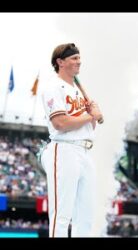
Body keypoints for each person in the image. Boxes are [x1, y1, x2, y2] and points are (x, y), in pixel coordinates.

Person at [40, 43, 103, 237]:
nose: (79, 61)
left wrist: (92, 112)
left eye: (79, 57)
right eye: (74, 58)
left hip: (85, 150)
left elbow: (88, 128)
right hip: (64, 148)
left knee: (85, 216)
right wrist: (91, 116)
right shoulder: (52, 87)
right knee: (62, 214)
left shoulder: (77, 90)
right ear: (60, 62)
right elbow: (60, 123)